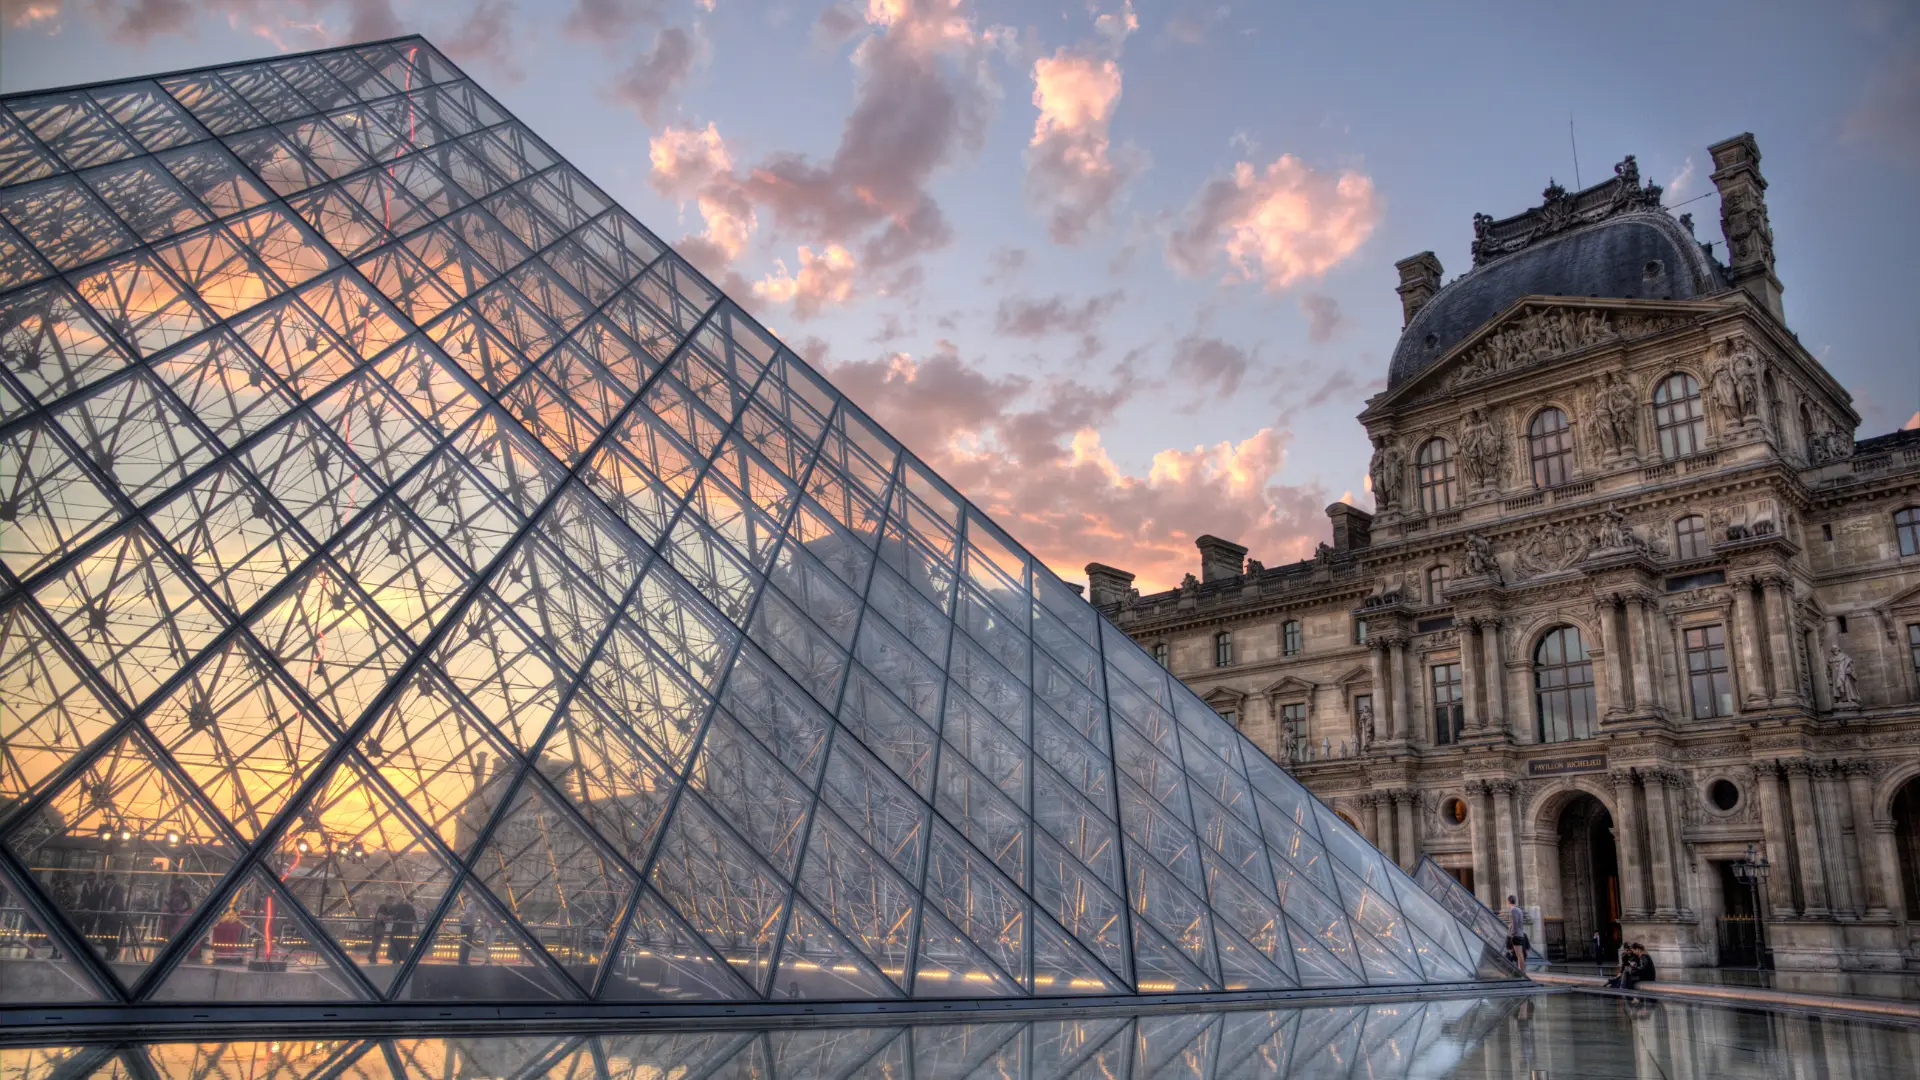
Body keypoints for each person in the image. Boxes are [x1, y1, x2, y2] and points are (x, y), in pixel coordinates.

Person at [1504, 895, 1529, 971]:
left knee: (1519, 955)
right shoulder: (1519, 910)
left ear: (1508, 901)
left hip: (1516, 935)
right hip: (1520, 934)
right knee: (1520, 955)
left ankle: (1521, 971)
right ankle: (1521, 970)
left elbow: (1515, 923)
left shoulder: (1513, 910)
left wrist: (1512, 934)